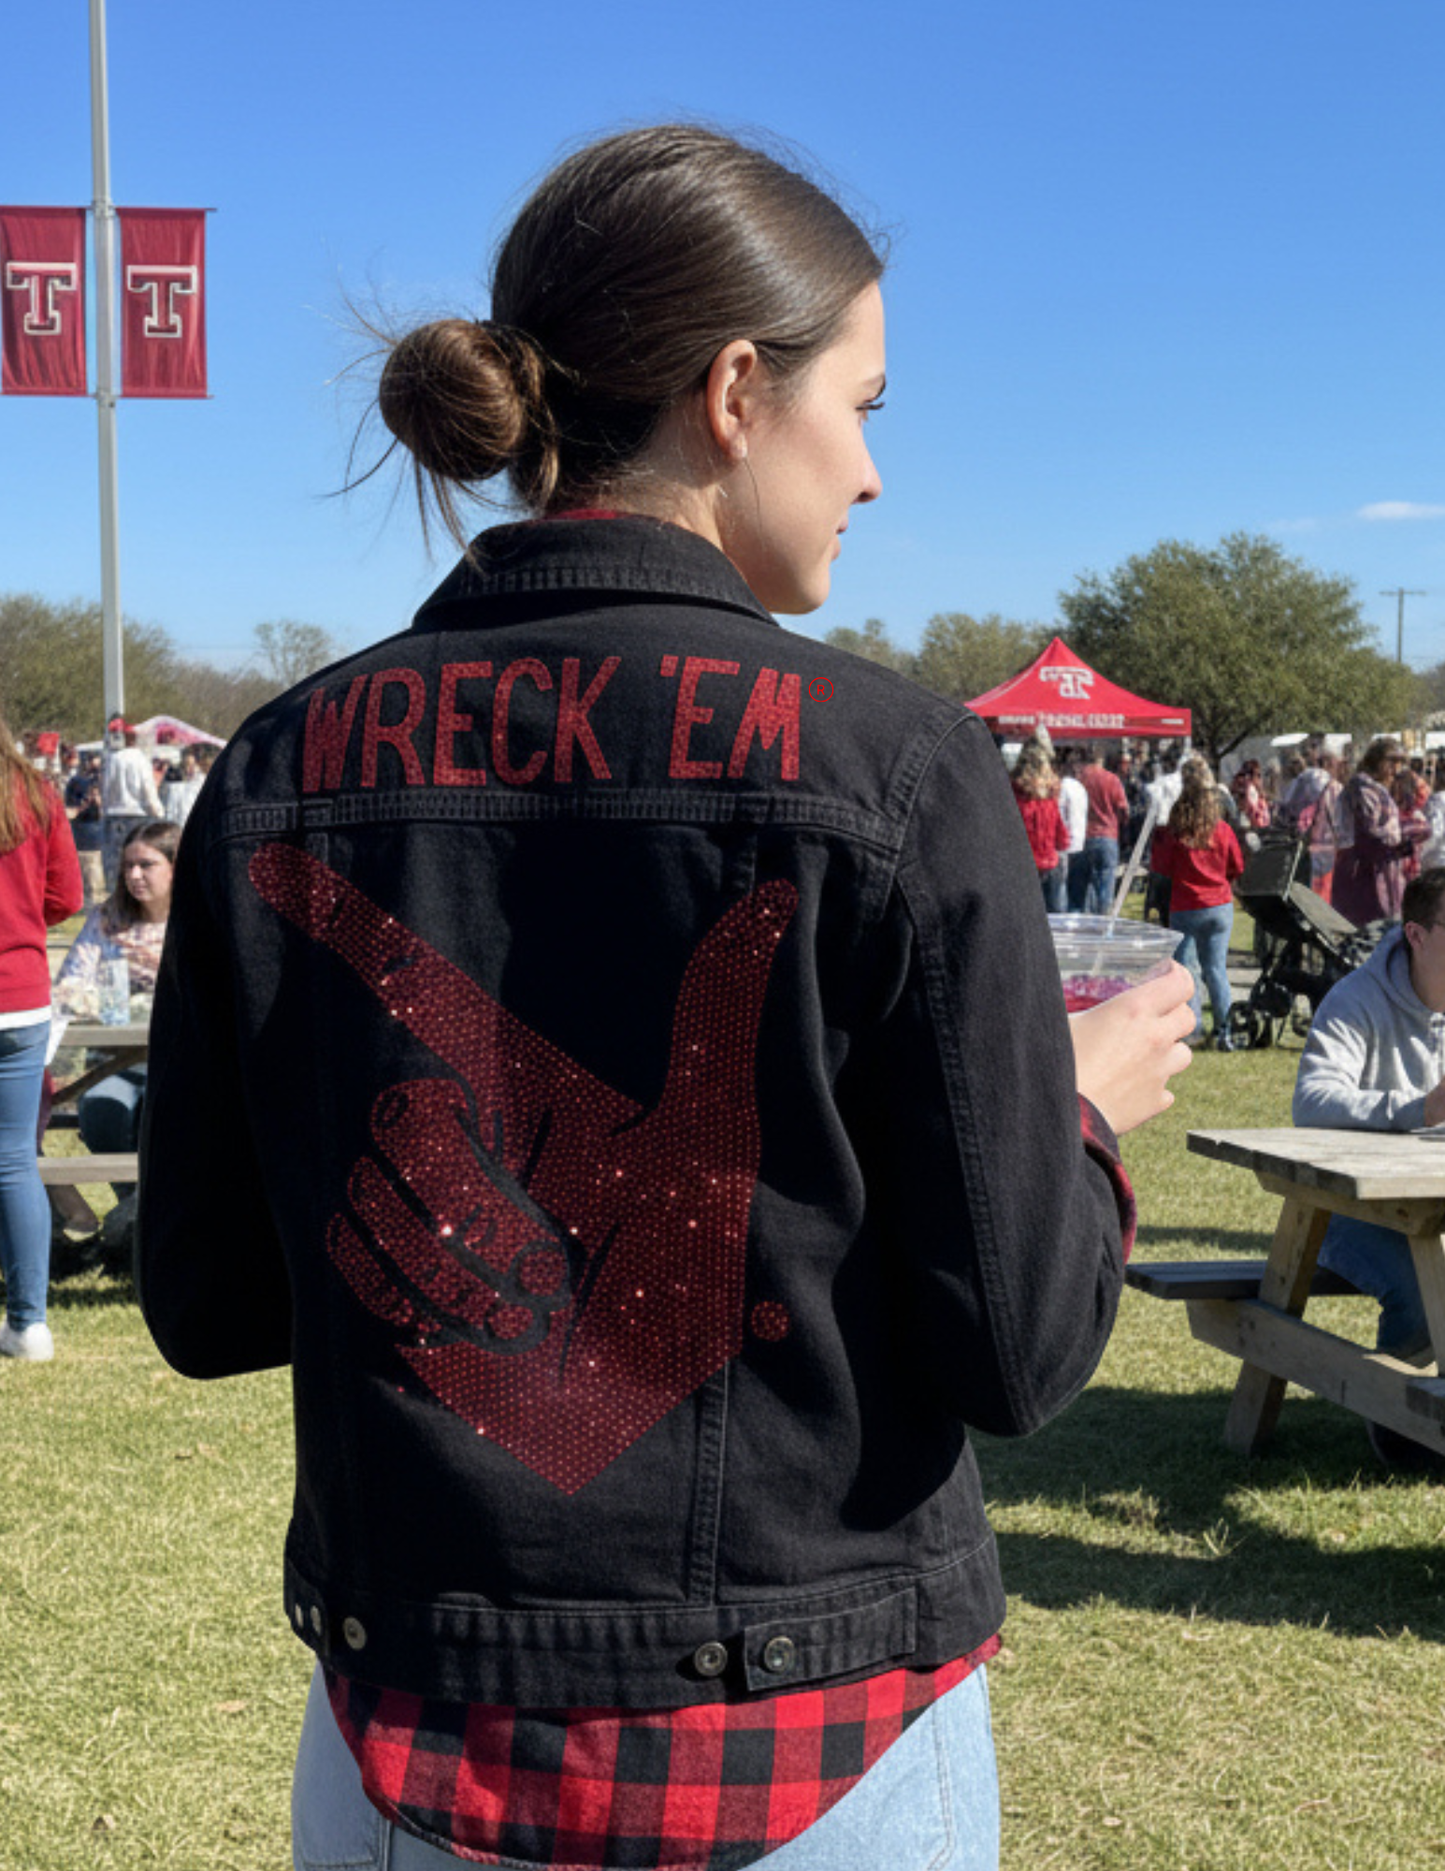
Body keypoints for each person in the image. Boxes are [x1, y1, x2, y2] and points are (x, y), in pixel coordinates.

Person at [135, 124, 1193, 1871]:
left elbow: (205, 1294)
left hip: (411, 1740)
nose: (870, 474)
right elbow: (1019, 1351)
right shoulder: (902, 765)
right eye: (863, 404)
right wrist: (1068, 1112)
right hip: (820, 1743)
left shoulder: (281, 764)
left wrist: (534, 1335)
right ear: (732, 391)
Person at [1294, 865, 1445, 1469]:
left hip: (1433, 1204)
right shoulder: (1357, 999)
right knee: (1421, 1287)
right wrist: (1417, 1108)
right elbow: (1312, 1100)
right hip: (1349, 1211)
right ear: (1418, 934)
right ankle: (1401, 1428)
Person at [0, 703, 83, 1361]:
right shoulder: (35, 791)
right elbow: (68, 897)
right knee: (14, 1162)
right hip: (21, 998)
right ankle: (30, 1323)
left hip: (22, 997)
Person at [54, 819, 177, 1192]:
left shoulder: (197, 924)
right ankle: (132, 1209)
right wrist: (96, 996)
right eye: (128, 866)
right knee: (102, 1114)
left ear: (176, 867)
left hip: (177, 1061)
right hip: (109, 1060)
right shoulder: (107, 920)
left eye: (147, 865)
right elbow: (70, 986)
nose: (135, 875)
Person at [1150, 761, 1245, 1049]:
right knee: (1216, 970)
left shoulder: (1176, 833)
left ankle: (1192, 1028)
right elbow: (1237, 865)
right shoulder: (1222, 830)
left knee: (1186, 970)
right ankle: (1225, 1028)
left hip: (1186, 904)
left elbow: (1162, 868)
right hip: (1219, 904)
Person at [1332, 737, 1428, 929]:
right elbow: (1369, 835)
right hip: (1365, 874)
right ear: (1378, 762)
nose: (1395, 769)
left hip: (1379, 871)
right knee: (1370, 933)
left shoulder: (1375, 790)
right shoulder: (1363, 790)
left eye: (1399, 763)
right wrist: (1401, 840)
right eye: (1392, 762)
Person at [101, 721, 163, 888]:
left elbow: (106, 789)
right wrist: (158, 812)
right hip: (137, 814)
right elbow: (148, 789)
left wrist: (105, 810)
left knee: (116, 863)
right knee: (138, 861)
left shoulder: (112, 759)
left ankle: (116, 894)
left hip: (114, 815)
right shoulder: (140, 759)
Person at [1010, 742, 1070, 911]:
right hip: (1049, 866)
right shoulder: (1049, 803)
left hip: (1023, 868)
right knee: (1054, 922)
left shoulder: (1014, 802)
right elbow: (1063, 840)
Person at [1077, 743, 1129, 913]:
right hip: (1107, 835)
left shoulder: (1080, 778)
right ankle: (1103, 923)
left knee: (1083, 886)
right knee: (1106, 886)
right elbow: (1123, 808)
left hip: (1084, 837)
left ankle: (1086, 923)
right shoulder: (1111, 779)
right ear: (1102, 759)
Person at [65, 750, 106, 907]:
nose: (93, 764)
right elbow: (71, 811)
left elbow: (107, 808)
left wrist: (99, 802)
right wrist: (86, 804)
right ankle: (87, 902)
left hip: (97, 830)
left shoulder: (102, 780)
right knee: (87, 868)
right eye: (89, 760)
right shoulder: (76, 782)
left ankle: (96, 901)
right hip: (83, 831)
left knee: (95, 870)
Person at [1056, 747, 1089, 912]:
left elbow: (1061, 816)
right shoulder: (1080, 788)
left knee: (1062, 892)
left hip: (1065, 846)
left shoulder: (1061, 787)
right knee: (1078, 894)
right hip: (1080, 843)